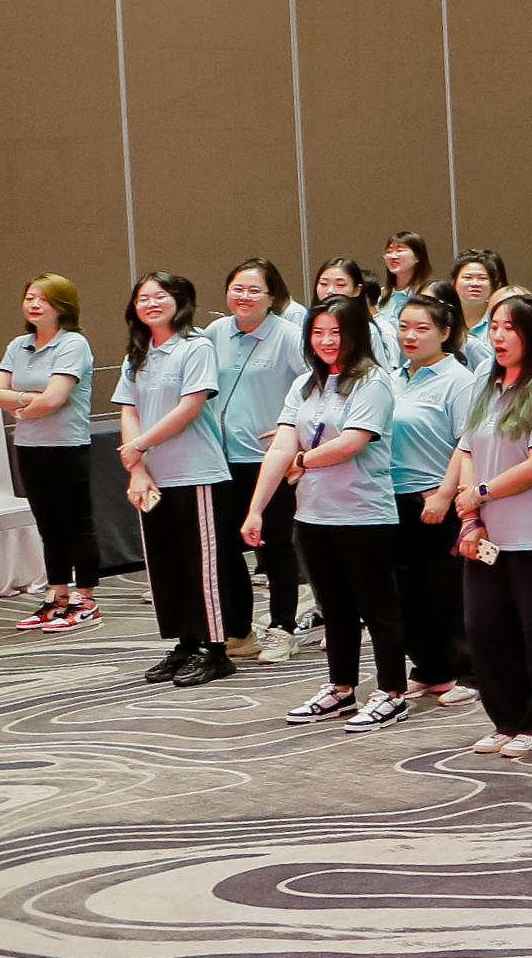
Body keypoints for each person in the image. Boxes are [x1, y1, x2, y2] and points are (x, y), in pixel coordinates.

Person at [443, 292, 532, 756]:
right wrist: (470, 517)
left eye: (511, 328)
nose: (499, 336)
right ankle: (506, 719)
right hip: (490, 530)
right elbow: (468, 450)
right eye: (494, 327)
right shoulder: (486, 386)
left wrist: (480, 493)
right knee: (485, 627)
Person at [251, 297, 404, 730]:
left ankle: (393, 692)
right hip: (314, 515)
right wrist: (256, 509)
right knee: (334, 608)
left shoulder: (372, 382)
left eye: (336, 332)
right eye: (318, 332)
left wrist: (302, 461)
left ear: (356, 334)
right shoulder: (305, 384)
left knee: (378, 608)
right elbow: (281, 445)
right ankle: (341, 688)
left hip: (363, 513)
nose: (326, 341)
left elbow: (351, 442)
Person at [118, 273, 242, 686]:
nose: (151, 303)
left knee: (203, 566)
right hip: (154, 478)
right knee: (166, 565)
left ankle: (216, 650)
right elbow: (129, 410)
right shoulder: (138, 353)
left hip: (197, 472)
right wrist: (137, 468)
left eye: (161, 296)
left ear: (180, 301)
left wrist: (139, 446)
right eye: (143, 297)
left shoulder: (196, 346)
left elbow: (190, 406)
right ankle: (186, 643)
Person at [384, 287, 479, 712]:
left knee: (448, 592)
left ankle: (471, 671)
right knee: (407, 591)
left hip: (436, 497)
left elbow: (467, 444)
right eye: (404, 327)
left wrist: (443, 494)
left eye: (421, 328)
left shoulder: (458, 380)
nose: (410, 336)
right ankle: (430, 667)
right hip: (392, 497)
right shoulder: (392, 377)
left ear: (444, 332)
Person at [208, 260, 307, 661]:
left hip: (269, 459)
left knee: (275, 544)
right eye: (237, 288)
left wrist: (292, 433)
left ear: (272, 296)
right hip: (220, 458)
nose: (244, 297)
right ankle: (239, 630)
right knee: (226, 547)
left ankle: (283, 628)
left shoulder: (289, 336)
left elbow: (315, 387)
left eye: (254, 290)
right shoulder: (215, 333)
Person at [0, 276, 100, 631]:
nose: (34, 304)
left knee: (77, 524)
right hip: (28, 446)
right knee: (48, 526)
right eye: (30, 297)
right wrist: (32, 401)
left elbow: (56, 399)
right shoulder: (19, 345)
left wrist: (22, 404)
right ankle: (57, 596)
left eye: (44, 299)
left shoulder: (73, 344)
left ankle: (85, 598)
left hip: (66, 446)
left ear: (63, 306)